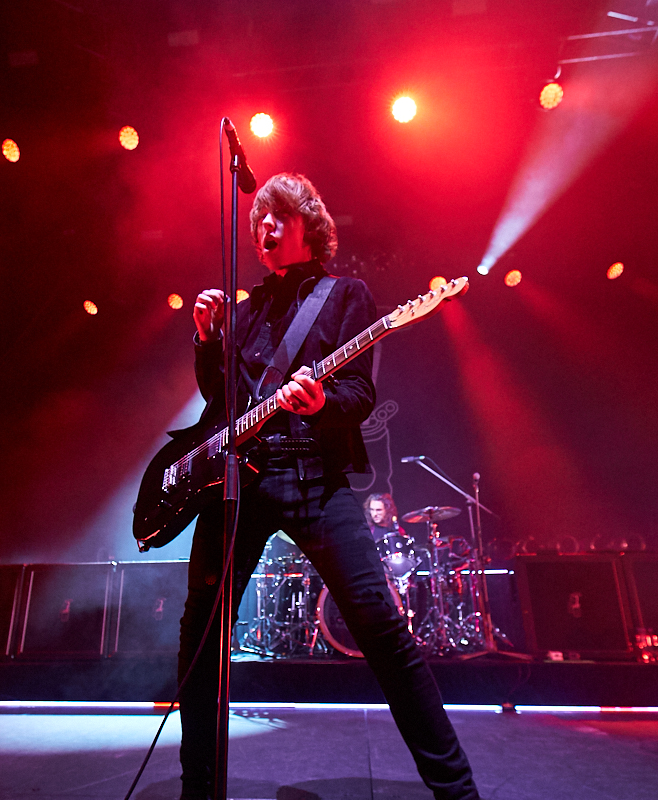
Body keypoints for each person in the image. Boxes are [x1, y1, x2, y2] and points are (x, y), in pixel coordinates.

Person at [178, 173, 479, 800]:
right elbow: (222, 403)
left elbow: (359, 393)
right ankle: (198, 790)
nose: (262, 229)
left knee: (382, 629)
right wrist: (208, 340)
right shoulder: (245, 309)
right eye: (257, 219)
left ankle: (456, 792)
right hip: (244, 480)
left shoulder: (346, 296)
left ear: (307, 226)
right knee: (201, 634)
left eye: (276, 219)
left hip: (315, 478)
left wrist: (319, 404)